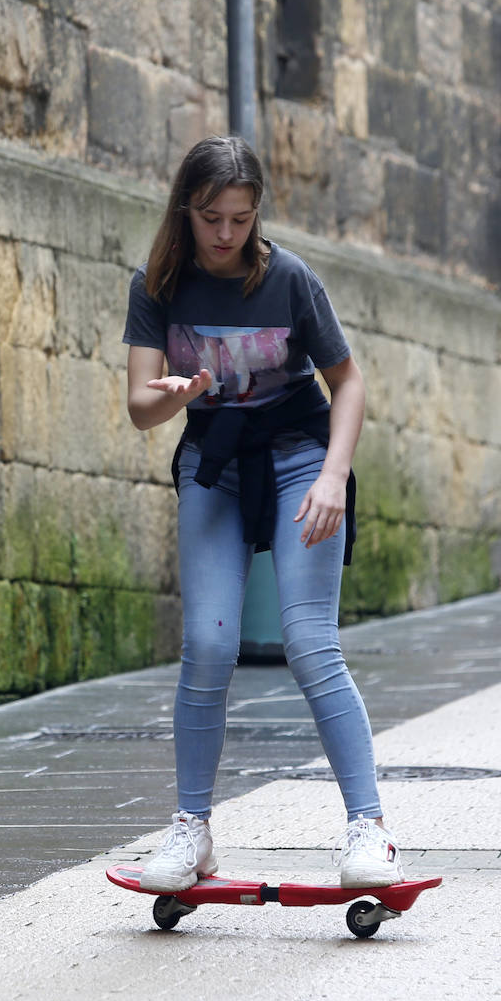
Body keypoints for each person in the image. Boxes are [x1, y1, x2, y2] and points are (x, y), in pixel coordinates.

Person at [121, 135, 402, 894]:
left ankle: (369, 828)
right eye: (212, 217)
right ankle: (192, 829)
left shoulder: (289, 281)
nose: (225, 235)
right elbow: (140, 406)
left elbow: (348, 381)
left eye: (241, 219)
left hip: (303, 454)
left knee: (311, 642)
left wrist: (335, 476)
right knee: (209, 647)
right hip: (214, 460)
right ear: (188, 210)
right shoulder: (157, 285)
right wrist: (176, 396)